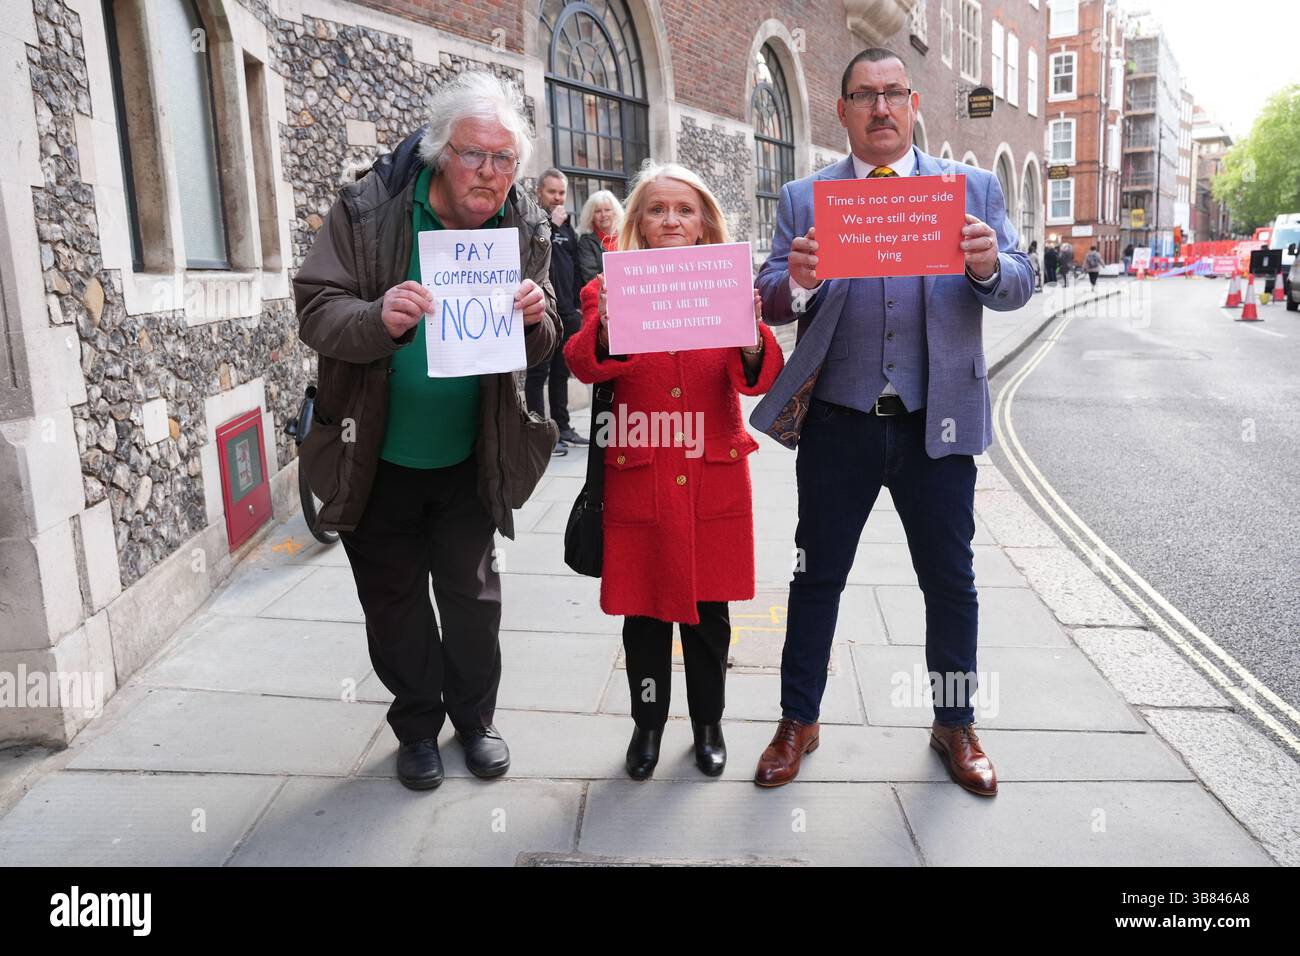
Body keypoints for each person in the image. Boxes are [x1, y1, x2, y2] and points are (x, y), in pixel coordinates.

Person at [749, 47, 1033, 797]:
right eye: (863, 95)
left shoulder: (969, 188)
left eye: (892, 94)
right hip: (840, 420)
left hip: (934, 420)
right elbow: (769, 291)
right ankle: (798, 719)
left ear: (913, 106)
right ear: (840, 111)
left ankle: (955, 722)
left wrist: (985, 267)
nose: (880, 108)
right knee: (815, 578)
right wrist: (798, 279)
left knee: (951, 580)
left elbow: (1019, 280)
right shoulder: (806, 196)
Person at [293, 71, 562, 791]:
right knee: (394, 602)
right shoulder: (368, 210)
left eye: (506, 160)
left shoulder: (523, 223)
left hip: (473, 455)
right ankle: (417, 724)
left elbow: (540, 343)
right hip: (373, 457)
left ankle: (475, 722)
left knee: (474, 603)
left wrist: (538, 319)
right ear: (442, 152)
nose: (491, 174)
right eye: (476, 156)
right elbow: (316, 309)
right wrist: (376, 318)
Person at [564, 161, 784, 781]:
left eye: (684, 210)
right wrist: (606, 327)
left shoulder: (725, 282)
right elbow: (583, 365)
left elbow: (758, 378)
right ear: (638, 220)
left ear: (704, 221)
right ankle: (648, 725)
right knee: (646, 614)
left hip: (712, 472)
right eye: (657, 209)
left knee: (710, 615)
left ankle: (709, 722)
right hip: (641, 473)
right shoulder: (606, 285)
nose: (671, 220)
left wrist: (748, 335)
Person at [527, 169, 586, 454]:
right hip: (541, 312)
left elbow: (574, 265)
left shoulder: (566, 227)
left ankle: (562, 426)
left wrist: (576, 302)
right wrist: (550, 223)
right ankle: (539, 433)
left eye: (562, 192)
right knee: (538, 373)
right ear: (539, 191)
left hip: (567, 311)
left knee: (562, 372)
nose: (558, 197)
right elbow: (531, 254)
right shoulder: (533, 221)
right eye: (552, 192)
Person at [577, 189, 625, 286]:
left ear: (615, 212)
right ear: (591, 216)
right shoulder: (586, 242)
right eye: (598, 211)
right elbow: (591, 276)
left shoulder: (626, 236)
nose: (603, 215)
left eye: (607, 210)